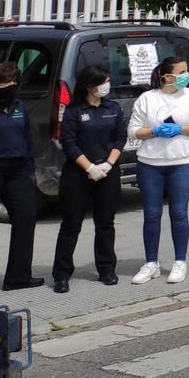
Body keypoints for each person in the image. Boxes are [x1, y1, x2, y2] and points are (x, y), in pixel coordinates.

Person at [127, 56, 189, 285]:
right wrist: (154, 131)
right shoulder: (147, 99)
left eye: (186, 70)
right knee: (152, 215)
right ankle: (151, 263)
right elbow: (133, 131)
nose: (186, 75)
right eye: (181, 71)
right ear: (167, 76)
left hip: (181, 161)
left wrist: (180, 128)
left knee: (179, 213)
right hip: (150, 163)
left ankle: (179, 261)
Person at [51, 64, 125, 291]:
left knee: (105, 222)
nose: (106, 86)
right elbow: (68, 143)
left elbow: (120, 138)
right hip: (79, 172)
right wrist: (90, 167)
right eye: (102, 82)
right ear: (89, 86)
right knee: (71, 224)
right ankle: (62, 274)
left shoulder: (113, 108)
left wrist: (108, 164)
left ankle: (106, 269)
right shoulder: (74, 111)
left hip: (107, 170)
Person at [0, 61, 42, 295]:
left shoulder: (19, 106)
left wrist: (30, 169)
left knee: (26, 217)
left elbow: (27, 139)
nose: (9, 86)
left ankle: (18, 277)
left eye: (12, 82)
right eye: (4, 82)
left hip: (18, 169)